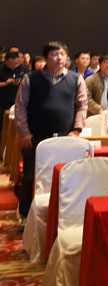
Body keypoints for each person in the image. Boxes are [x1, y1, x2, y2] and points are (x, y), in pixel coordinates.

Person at [13, 42, 88, 222]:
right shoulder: (31, 78)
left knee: (65, 177)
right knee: (31, 176)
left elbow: (82, 105)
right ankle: (25, 215)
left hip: (66, 137)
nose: (59, 58)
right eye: (54, 54)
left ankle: (62, 215)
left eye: (62, 54)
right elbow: (20, 106)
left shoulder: (76, 79)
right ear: (46, 58)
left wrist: (76, 130)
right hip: (35, 137)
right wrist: (24, 132)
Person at [0, 51, 31, 128]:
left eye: (16, 64)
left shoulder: (24, 68)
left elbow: (31, 83)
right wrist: (5, 83)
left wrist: (22, 82)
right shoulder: (1, 69)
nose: (13, 66)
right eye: (11, 64)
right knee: (3, 123)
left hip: (19, 101)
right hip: (3, 101)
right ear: (5, 61)